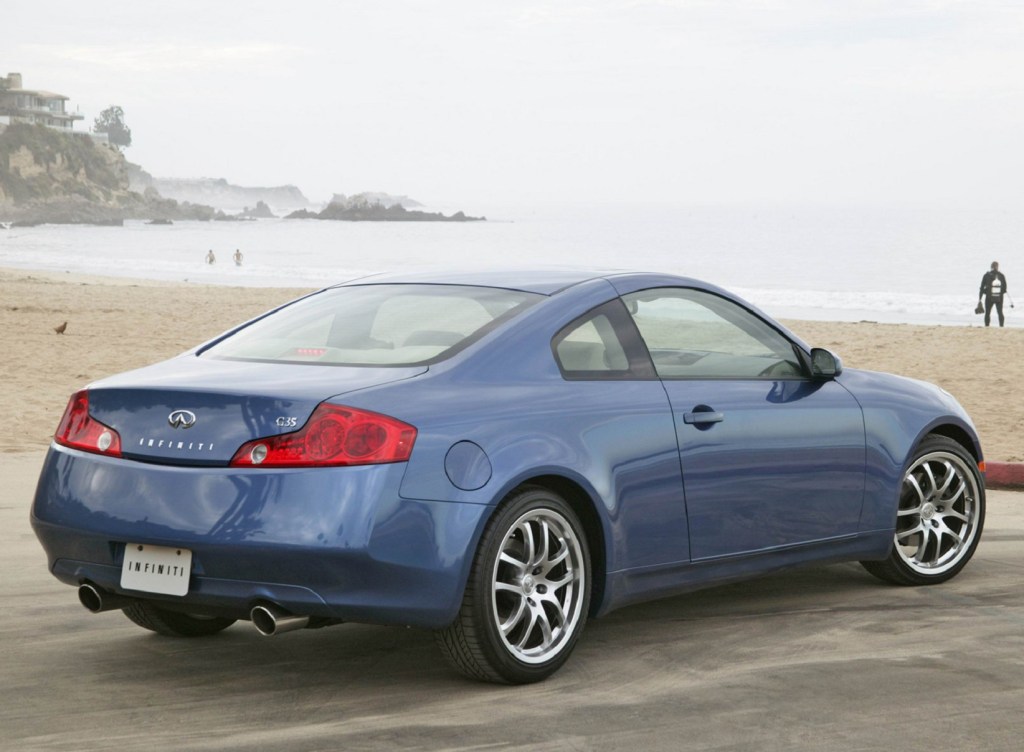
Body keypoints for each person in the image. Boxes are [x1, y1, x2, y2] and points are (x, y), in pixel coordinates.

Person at [978, 261, 1009, 327]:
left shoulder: (986, 275)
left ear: (991, 267)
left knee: (987, 313)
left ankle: (987, 326)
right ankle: (1001, 326)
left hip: (989, 297)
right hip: (999, 298)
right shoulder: (1001, 275)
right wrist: (999, 293)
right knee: (1000, 312)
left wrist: (980, 298)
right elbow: (1005, 289)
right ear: (997, 267)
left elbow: (981, 288)